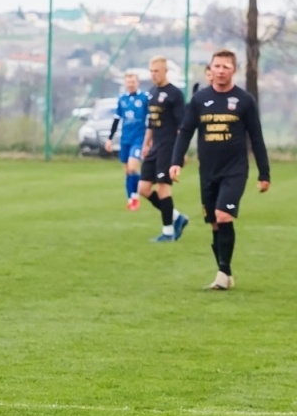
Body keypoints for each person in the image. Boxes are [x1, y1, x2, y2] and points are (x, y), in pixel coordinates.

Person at [170, 49, 271, 290]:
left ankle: (222, 274)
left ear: (234, 70)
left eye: (226, 67)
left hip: (235, 170)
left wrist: (264, 173)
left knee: (224, 215)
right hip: (208, 171)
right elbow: (185, 132)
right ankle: (226, 272)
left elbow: (256, 137)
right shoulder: (199, 100)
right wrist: (175, 161)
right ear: (211, 69)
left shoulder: (245, 101)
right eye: (217, 66)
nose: (221, 71)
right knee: (215, 222)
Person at [137, 56, 189, 242]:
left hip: (169, 146)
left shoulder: (175, 94)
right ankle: (176, 217)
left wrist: (180, 152)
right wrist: (146, 144)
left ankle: (168, 232)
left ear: (165, 71)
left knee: (163, 188)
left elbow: (182, 126)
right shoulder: (151, 92)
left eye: (157, 71)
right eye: (151, 71)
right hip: (155, 147)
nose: (153, 75)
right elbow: (151, 122)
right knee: (143, 188)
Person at [106, 72, 150, 210]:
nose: (131, 84)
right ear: (125, 83)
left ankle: (136, 196)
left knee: (132, 167)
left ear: (138, 83)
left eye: (133, 82)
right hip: (126, 138)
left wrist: (150, 140)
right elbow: (116, 120)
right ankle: (131, 198)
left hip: (139, 138)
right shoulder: (122, 99)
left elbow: (151, 119)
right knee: (127, 171)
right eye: (129, 82)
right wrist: (110, 139)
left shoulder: (144, 98)